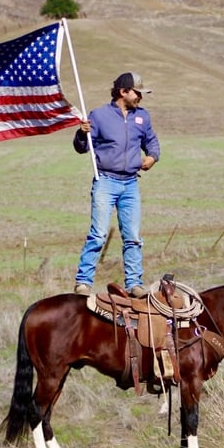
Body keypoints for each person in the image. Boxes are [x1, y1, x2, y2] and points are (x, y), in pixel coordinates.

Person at [73, 72, 160, 297]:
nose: (140, 97)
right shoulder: (99, 116)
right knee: (98, 235)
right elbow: (82, 147)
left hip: (130, 184)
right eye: (137, 92)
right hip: (105, 181)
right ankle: (83, 283)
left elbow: (151, 141)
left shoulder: (142, 116)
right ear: (123, 92)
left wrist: (152, 157)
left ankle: (134, 284)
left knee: (133, 237)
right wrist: (81, 134)